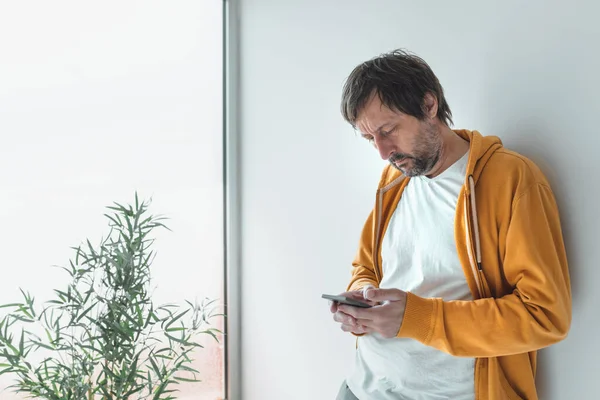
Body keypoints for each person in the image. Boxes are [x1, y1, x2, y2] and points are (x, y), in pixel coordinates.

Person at [330, 49, 572, 400]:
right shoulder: (393, 181)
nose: (383, 152)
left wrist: (415, 317)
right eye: (371, 139)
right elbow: (366, 266)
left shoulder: (511, 180)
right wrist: (363, 299)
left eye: (388, 130)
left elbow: (544, 315)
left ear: (429, 105)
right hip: (362, 388)